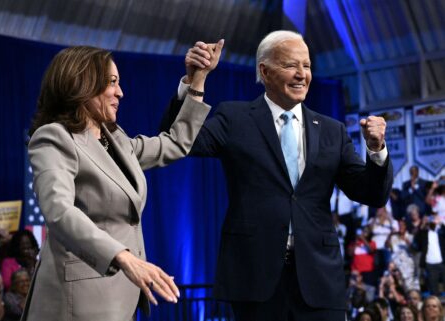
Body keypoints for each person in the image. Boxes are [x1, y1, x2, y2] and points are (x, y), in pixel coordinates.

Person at [161, 30, 392, 320]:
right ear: (265, 71)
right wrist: (195, 81)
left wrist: (376, 149)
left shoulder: (332, 130)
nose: (301, 74)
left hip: (319, 281)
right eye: (290, 65)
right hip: (255, 280)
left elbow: (371, 193)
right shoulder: (235, 118)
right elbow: (180, 141)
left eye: (306, 66)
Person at [22, 43, 222, 321]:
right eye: (112, 82)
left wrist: (197, 80)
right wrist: (123, 257)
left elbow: (175, 143)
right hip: (78, 300)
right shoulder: (53, 138)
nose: (120, 92)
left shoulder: (116, 140)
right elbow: (59, 211)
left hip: (120, 296)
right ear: (81, 82)